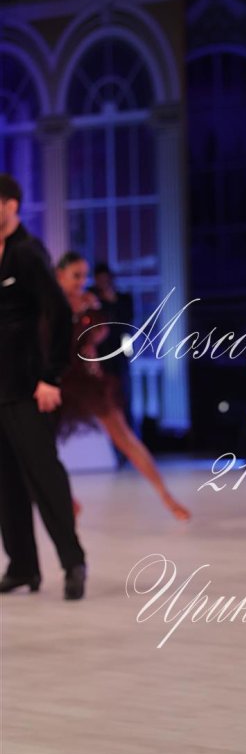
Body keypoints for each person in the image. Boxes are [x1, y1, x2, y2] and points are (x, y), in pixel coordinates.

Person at [0, 174, 87, 600]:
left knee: (44, 475)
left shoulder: (28, 253)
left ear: (11, 205)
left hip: (27, 387)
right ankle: (22, 566)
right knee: (5, 481)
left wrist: (50, 376)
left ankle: (73, 562)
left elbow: (59, 313)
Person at [55, 252, 191, 522]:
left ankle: (165, 495)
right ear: (59, 275)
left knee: (123, 436)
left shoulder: (89, 302)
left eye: (84, 276)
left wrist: (91, 319)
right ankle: (66, 498)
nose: (81, 281)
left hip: (88, 379)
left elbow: (102, 334)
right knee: (42, 444)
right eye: (76, 276)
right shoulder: (49, 302)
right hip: (57, 380)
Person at [90, 262, 135, 442]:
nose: (103, 282)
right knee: (101, 396)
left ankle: (127, 438)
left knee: (122, 396)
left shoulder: (123, 299)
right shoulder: (92, 299)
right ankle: (106, 441)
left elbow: (127, 323)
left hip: (119, 353)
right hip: (99, 354)